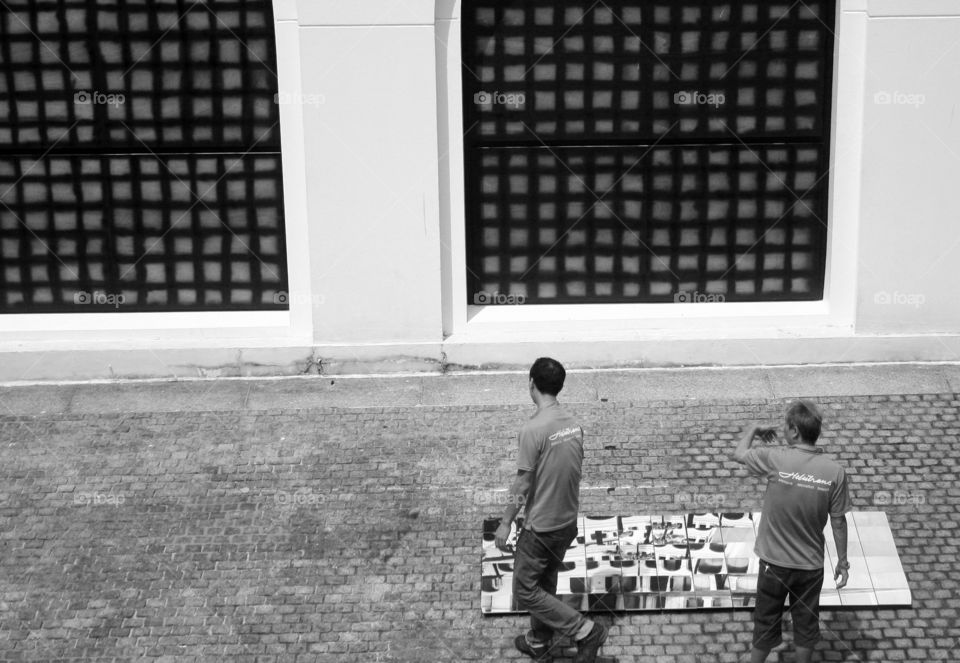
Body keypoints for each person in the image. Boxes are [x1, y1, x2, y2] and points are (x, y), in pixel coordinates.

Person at [494, 357, 607, 663]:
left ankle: (584, 630)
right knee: (546, 581)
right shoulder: (573, 425)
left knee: (525, 590)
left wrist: (506, 522)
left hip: (541, 528)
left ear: (531, 383)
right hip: (567, 522)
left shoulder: (533, 429)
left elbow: (523, 483)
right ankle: (539, 639)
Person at [730, 399, 852, 663]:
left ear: (795, 431)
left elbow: (738, 454)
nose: (783, 431)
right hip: (809, 567)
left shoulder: (776, 459)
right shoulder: (835, 472)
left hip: (773, 564)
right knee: (806, 626)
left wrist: (753, 429)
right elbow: (838, 521)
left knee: (765, 621)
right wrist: (842, 561)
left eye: (786, 426)